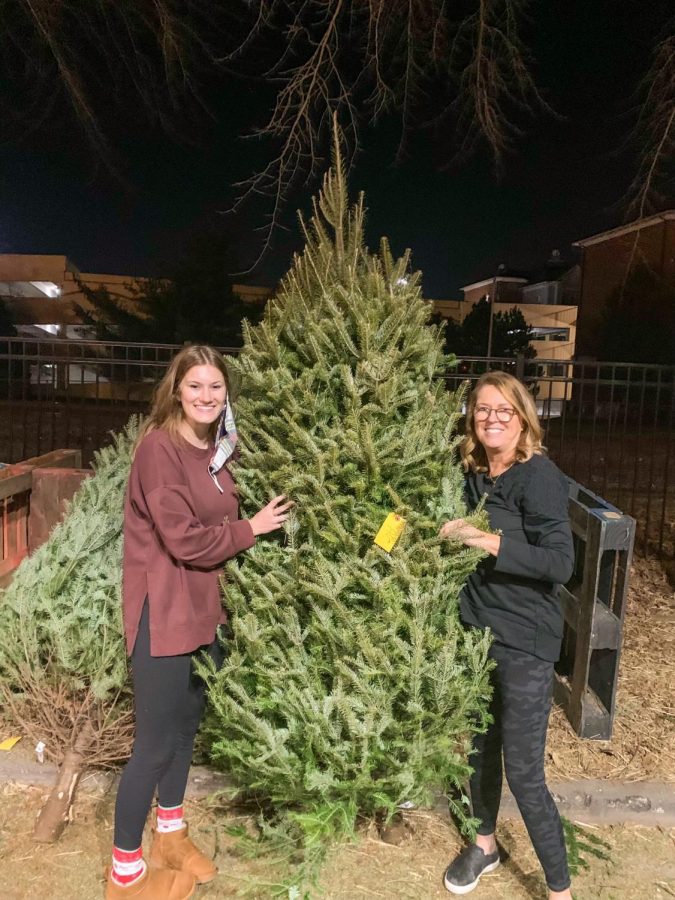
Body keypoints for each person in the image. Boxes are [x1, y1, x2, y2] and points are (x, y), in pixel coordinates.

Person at [106, 344, 292, 900]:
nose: (206, 397)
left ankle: (169, 834)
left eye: (216, 387)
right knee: (155, 745)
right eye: (196, 387)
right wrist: (250, 529)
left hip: (203, 614)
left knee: (186, 728)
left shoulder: (218, 450)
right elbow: (183, 538)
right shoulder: (158, 451)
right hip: (162, 612)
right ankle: (125, 874)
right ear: (176, 391)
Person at [439, 371, 574, 900]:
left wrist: (485, 540)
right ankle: (485, 844)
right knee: (479, 747)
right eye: (482, 409)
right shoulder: (474, 473)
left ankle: (560, 889)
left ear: (523, 418)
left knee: (523, 770)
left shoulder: (536, 476)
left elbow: (560, 563)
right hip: (478, 636)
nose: (492, 418)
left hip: (523, 642)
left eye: (504, 410)